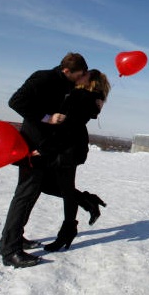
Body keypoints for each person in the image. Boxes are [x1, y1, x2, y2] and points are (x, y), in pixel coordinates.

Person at [36, 69, 111, 252]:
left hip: (67, 146)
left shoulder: (80, 96)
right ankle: (87, 202)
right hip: (72, 145)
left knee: (61, 188)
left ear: (90, 80)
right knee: (59, 187)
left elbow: (68, 127)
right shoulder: (88, 97)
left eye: (84, 75)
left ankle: (68, 229)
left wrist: (44, 149)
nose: (80, 76)